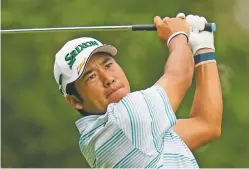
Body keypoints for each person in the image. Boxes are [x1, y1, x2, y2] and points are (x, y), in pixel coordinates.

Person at [53, 13, 223, 168]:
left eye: (108, 65)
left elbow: (206, 125)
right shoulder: (124, 122)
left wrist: (203, 48)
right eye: (91, 77)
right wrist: (177, 35)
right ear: (75, 101)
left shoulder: (129, 134)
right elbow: (180, 75)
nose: (108, 79)